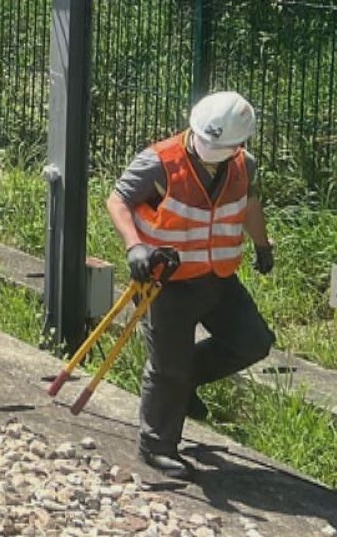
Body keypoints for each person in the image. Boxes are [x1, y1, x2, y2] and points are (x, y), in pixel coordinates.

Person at [106, 91, 276, 480]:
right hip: (165, 282)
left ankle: (183, 387)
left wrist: (263, 245)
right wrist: (135, 246)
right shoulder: (159, 162)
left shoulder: (243, 166)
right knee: (169, 368)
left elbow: (249, 205)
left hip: (218, 277)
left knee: (252, 341)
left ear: (239, 144)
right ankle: (156, 446)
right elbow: (118, 201)